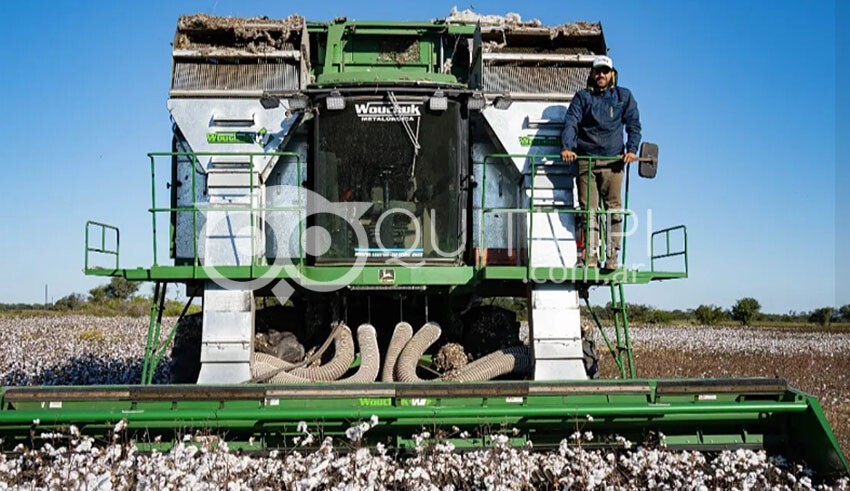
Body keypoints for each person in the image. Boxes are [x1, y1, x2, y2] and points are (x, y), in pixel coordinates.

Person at [560, 55, 641, 270]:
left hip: (613, 162)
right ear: (592, 74)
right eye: (598, 71)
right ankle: (591, 256)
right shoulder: (582, 98)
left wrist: (632, 150)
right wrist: (567, 147)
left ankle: (612, 256)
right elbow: (571, 122)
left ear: (612, 74)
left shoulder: (623, 96)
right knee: (589, 211)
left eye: (605, 71)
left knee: (614, 209)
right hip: (586, 162)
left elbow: (634, 125)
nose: (601, 75)